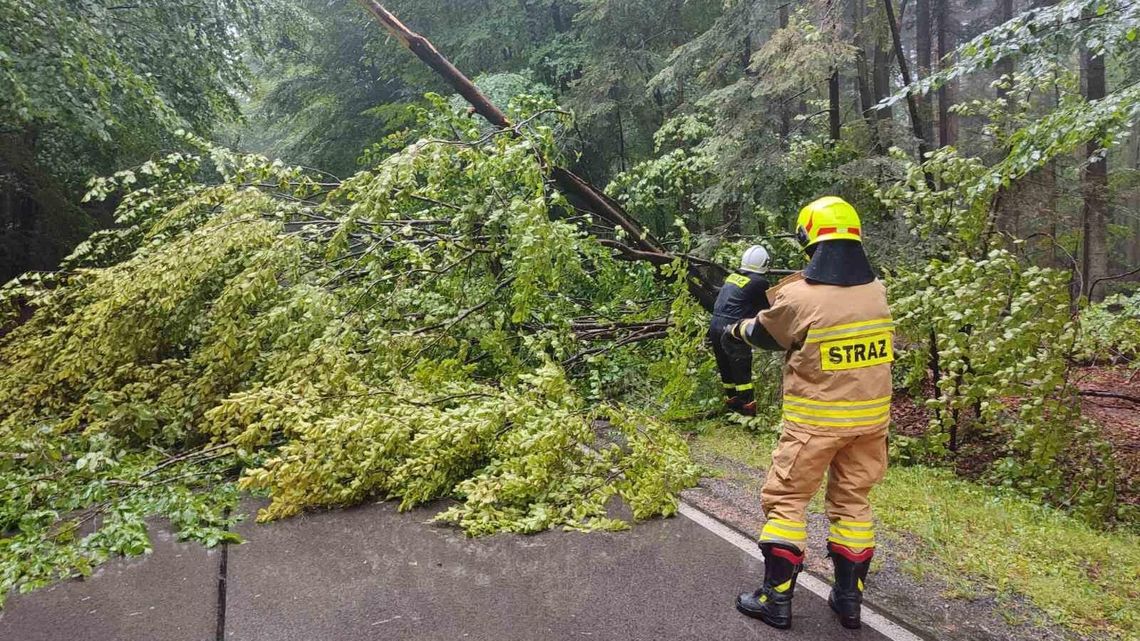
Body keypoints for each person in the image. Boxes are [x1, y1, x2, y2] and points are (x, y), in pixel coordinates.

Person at [724, 196, 892, 630]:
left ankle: (775, 599)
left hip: (815, 425)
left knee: (786, 501)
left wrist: (733, 329)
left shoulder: (800, 296)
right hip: (870, 426)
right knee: (853, 503)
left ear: (810, 241)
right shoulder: (876, 292)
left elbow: (764, 334)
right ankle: (848, 601)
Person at [709, 245, 771, 416]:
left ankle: (733, 408)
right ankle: (748, 411)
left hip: (715, 325)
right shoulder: (759, 282)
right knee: (741, 371)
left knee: (726, 369)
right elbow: (767, 308)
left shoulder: (733, 277)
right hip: (732, 329)